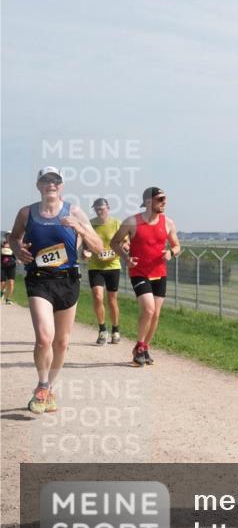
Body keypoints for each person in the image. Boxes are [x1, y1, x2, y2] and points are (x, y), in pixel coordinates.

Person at [7, 167, 102, 414]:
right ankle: (41, 385)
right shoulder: (27, 213)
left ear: (61, 186)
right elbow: (14, 238)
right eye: (46, 180)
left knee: (61, 343)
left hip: (68, 280)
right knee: (44, 338)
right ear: (38, 185)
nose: (51, 184)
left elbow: (99, 247)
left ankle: (50, 388)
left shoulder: (75, 211)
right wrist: (18, 251)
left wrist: (79, 228)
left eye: (55, 180)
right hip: (39, 279)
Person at [110, 187, 181, 367]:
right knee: (148, 309)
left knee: (155, 314)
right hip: (139, 272)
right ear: (148, 202)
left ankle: (144, 347)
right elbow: (114, 242)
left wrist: (171, 253)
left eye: (165, 199)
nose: (164, 202)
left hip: (160, 273)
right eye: (160, 199)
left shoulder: (169, 223)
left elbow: (177, 246)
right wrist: (126, 258)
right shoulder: (131, 222)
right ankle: (140, 347)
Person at [82, 198, 123, 344]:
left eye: (102, 208)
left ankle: (116, 330)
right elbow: (85, 245)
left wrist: (121, 250)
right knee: (98, 297)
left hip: (113, 266)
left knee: (112, 299)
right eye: (97, 209)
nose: (100, 211)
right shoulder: (90, 224)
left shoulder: (117, 223)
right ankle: (102, 330)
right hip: (95, 266)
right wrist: (85, 252)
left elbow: (125, 244)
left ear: (108, 208)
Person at [1, 234, 16, 304]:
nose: (9, 237)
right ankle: (2, 291)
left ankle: (8, 299)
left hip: (12, 266)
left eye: (10, 235)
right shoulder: (2, 243)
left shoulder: (15, 244)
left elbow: (18, 252)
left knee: (11, 283)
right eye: (8, 236)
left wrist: (18, 259)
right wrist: (6, 246)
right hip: (3, 266)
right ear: (6, 237)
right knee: (2, 283)